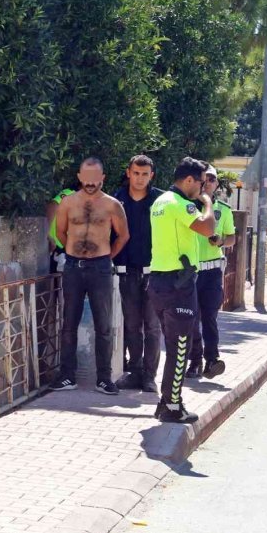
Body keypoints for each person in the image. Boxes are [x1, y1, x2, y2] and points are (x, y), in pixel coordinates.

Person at [50, 157, 129, 395]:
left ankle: (103, 378)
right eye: (87, 179)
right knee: (68, 324)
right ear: (79, 177)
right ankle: (67, 376)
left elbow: (123, 235)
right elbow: (60, 232)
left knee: (103, 325)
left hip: (101, 268)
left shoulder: (112, 204)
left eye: (96, 179)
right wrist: (74, 252)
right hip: (74, 267)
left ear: (103, 178)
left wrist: (106, 257)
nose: (91, 183)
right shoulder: (67, 203)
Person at [148, 157, 216, 423]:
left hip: (159, 282)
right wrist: (208, 202)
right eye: (201, 183)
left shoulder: (160, 202)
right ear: (189, 180)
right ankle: (173, 406)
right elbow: (208, 227)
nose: (203, 188)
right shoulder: (181, 204)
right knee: (180, 349)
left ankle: (166, 401)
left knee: (174, 344)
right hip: (178, 284)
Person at [113, 155, 163, 393]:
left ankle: (150, 376)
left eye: (145, 174)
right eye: (136, 173)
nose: (140, 178)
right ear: (128, 172)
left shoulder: (162, 201)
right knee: (132, 325)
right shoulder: (116, 199)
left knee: (152, 326)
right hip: (126, 272)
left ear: (151, 175)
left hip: (155, 272)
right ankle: (134, 371)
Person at [186, 166, 236, 379]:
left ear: (217, 184)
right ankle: (195, 359)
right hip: (191, 271)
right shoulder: (187, 208)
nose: (207, 182)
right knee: (191, 318)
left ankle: (212, 360)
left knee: (210, 317)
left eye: (212, 179)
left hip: (213, 271)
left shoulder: (223, 210)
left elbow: (232, 237)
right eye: (204, 179)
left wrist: (222, 241)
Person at [46, 187, 75, 273]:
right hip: (57, 247)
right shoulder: (70, 193)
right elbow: (53, 205)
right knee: (53, 282)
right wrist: (47, 234)